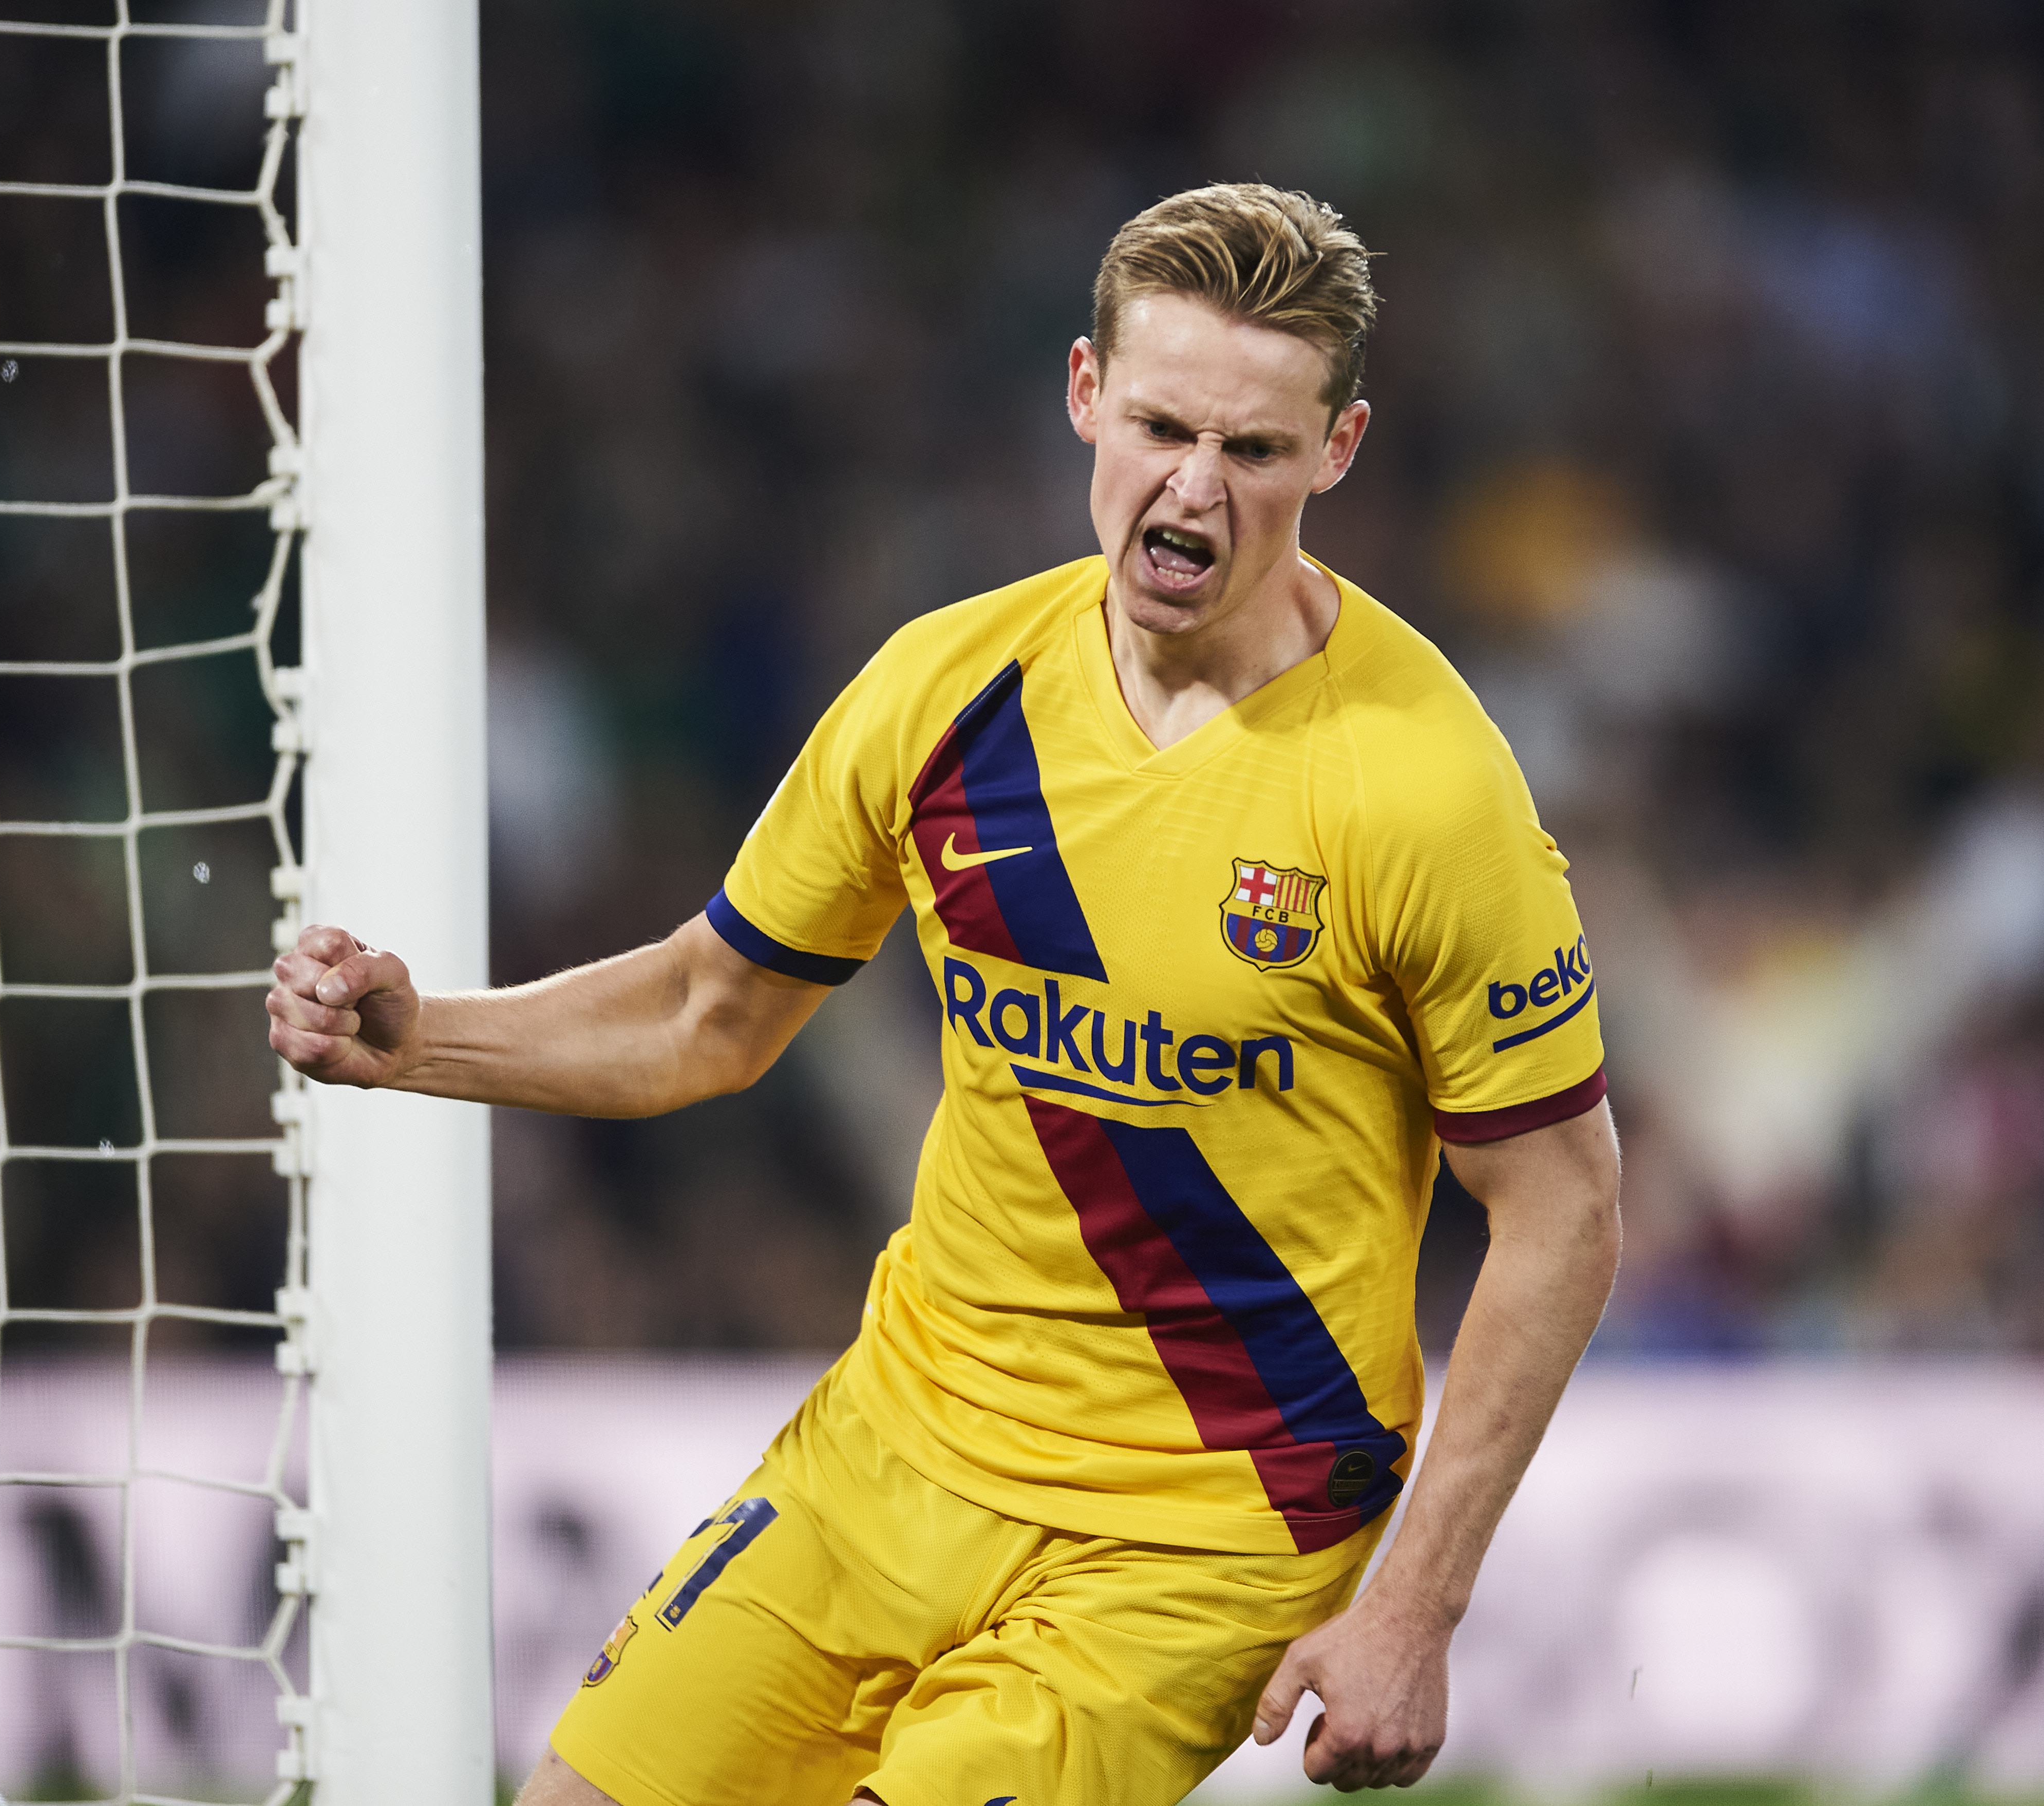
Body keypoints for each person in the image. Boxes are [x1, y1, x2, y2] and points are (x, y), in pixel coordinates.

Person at [268, 182, 1620, 1806]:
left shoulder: (1422, 787)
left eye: (1255, 449)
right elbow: (710, 1013)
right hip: (900, 1442)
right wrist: (425, 1039)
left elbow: (1564, 1208)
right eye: (1161, 426)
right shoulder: (948, 691)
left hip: (1207, 1523)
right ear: (1084, 394)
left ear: (1338, 451)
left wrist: (1417, 1604)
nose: (1195, 488)